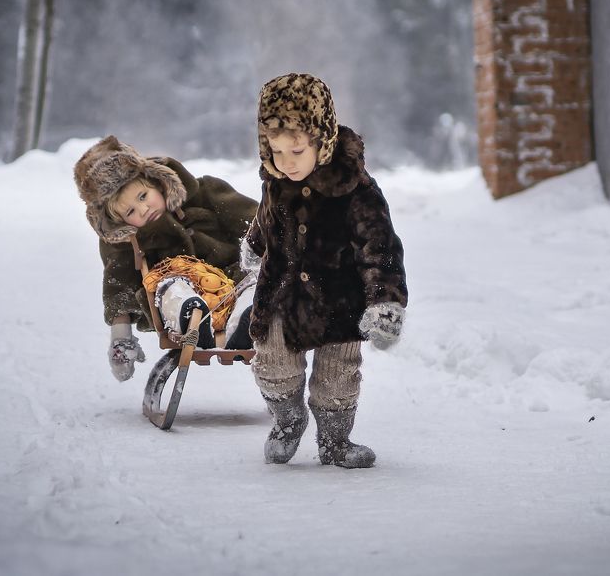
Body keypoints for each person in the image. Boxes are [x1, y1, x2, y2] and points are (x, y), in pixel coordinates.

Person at [241, 73, 408, 468]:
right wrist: (254, 242)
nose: (286, 162)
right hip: (282, 294)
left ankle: (334, 441)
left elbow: (379, 247)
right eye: (276, 151)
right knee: (272, 364)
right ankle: (288, 420)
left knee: (337, 377)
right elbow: (267, 220)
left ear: (322, 140)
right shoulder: (276, 181)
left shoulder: (356, 190)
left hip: (341, 300)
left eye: (296, 150)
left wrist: (386, 303)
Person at [74, 136, 258, 382]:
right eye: (130, 212)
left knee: (255, 282)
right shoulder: (130, 243)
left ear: (156, 181)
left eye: (142, 196)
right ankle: (191, 318)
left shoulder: (205, 193)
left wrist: (279, 250)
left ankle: (245, 320)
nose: (143, 210)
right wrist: (120, 338)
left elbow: (256, 222)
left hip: (232, 284)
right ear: (120, 223)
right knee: (169, 287)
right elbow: (118, 286)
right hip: (178, 289)